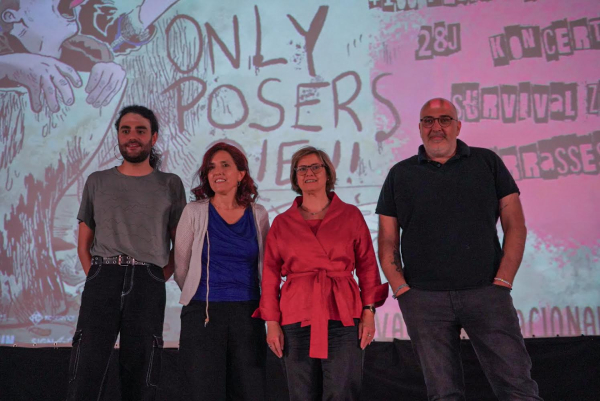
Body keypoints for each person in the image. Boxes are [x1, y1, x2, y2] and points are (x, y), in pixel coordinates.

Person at [376, 97, 542, 400]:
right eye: (428, 120)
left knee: (517, 389)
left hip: (486, 293)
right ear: (419, 127)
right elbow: (387, 239)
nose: (436, 127)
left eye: (444, 119)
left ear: (458, 126)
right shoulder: (399, 174)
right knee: (443, 395)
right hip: (424, 300)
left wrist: (503, 280)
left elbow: (515, 224)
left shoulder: (487, 162)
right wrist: (401, 289)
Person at [66, 105, 186, 401]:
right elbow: (83, 244)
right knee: (86, 369)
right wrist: (96, 275)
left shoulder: (170, 184)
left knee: (142, 373)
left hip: (148, 281)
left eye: (140, 131)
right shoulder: (97, 181)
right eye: (126, 130)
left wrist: (157, 277)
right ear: (118, 136)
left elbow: (180, 243)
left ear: (153, 137)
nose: (132, 136)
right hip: (103, 276)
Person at [253, 146, 388, 401]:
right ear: (295, 177)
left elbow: (368, 266)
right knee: (301, 394)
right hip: (296, 317)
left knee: (342, 392)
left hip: (343, 316)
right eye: (302, 169)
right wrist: (271, 322)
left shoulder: (350, 215)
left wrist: (369, 312)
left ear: (328, 173)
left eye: (316, 167)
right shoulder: (282, 222)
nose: (309, 173)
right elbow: (269, 276)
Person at [174, 142, 270, 401]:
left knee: (249, 390)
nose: (217, 171)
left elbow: (266, 266)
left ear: (241, 174)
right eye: (211, 167)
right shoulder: (194, 211)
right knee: (202, 391)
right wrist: (199, 294)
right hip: (202, 313)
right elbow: (181, 268)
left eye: (225, 165)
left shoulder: (258, 214)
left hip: (248, 314)